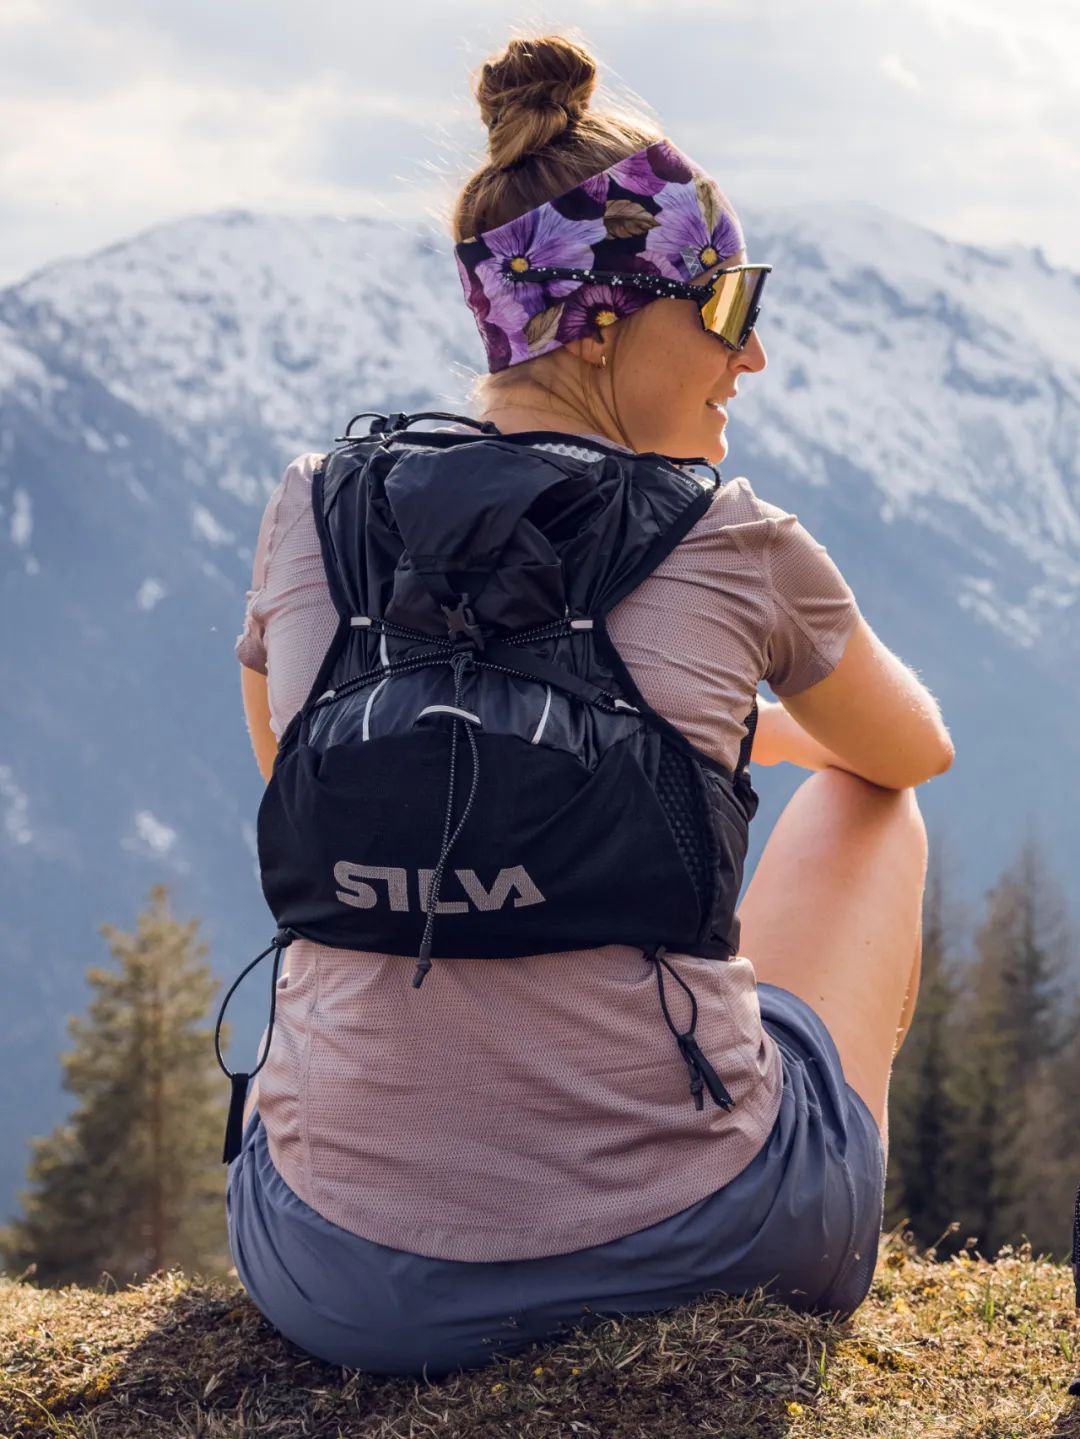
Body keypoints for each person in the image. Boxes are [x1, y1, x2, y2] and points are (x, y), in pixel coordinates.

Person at [225, 32, 953, 1380]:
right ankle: (715, 1149)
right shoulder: (733, 539)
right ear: (607, 320)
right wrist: (739, 726)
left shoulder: (313, 513)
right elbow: (917, 748)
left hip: (331, 1271)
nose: (751, 355)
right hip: (711, 1244)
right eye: (726, 304)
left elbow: (306, 800)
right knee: (874, 806)